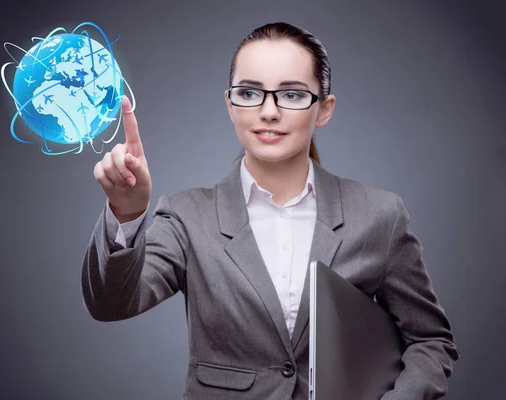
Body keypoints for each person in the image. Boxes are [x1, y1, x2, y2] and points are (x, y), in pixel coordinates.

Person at [82, 21, 460, 400]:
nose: (268, 111)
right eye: (249, 93)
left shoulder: (379, 215)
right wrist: (127, 213)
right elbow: (110, 304)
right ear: (230, 105)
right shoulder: (186, 216)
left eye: (292, 95)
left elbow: (431, 341)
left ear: (324, 109)